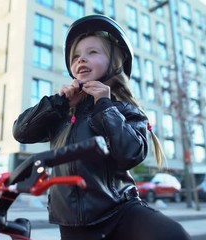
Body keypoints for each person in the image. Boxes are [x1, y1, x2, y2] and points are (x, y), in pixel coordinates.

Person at [12, 14, 190, 240]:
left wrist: (104, 106)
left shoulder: (124, 109)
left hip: (119, 211)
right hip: (71, 222)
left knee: (172, 234)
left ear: (114, 63)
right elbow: (21, 132)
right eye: (76, 56)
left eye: (92, 52)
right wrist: (58, 103)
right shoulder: (61, 112)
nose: (81, 60)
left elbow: (130, 154)